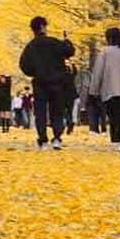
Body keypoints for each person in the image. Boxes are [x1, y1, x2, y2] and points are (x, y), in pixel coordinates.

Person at [19, 16, 75, 150]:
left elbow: (23, 65)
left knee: (41, 112)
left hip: (40, 83)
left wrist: (35, 72)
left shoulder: (31, 46)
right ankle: (56, 138)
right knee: (57, 111)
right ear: (43, 27)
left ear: (33, 29)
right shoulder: (54, 42)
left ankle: (43, 140)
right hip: (57, 82)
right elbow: (69, 52)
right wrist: (67, 41)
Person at [90, 26, 120, 151]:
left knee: (112, 114)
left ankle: (116, 138)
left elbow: (98, 72)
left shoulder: (104, 52)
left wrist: (94, 90)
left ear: (109, 38)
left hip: (109, 89)